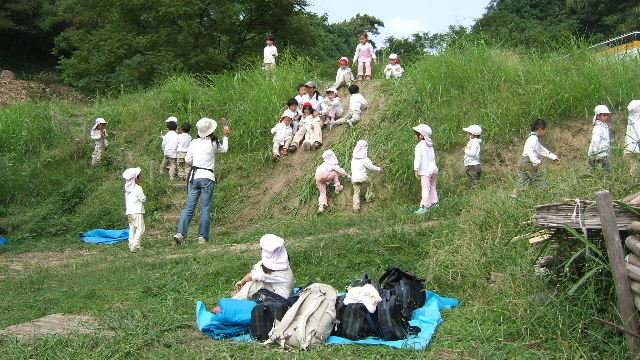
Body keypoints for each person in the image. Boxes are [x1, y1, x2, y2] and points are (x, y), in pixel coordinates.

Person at [174, 118, 230, 245]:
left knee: (189, 207)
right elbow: (225, 149)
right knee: (205, 208)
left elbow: (188, 160)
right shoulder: (213, 143)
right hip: (207, 177)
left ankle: (180, 233)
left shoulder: (194, 142)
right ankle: (202, 237)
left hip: (194, 176)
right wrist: (225, 136)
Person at [233, 234, 295, 300]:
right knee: (256, 277)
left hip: (280, 300)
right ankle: (241, 293)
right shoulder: (283, 264)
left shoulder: (269, 272)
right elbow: (258, 268)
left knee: (254, 284)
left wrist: (241, 282)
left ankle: (236, 299)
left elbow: (250, 276)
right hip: (285, 292)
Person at [511, 119, 560, 198]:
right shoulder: (533, 139)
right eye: (545, 130)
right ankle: (544, 198)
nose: (545, 132)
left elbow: (541, 149)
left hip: (522, 162)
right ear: (540, 130)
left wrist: (553, 157)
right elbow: (530, 150)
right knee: (540, 180)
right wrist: (535, 161)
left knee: (521, 183)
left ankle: (513, 198)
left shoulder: (533, 138)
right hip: (528, 163)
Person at [350, 140, 383, 212]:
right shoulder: (365, 159)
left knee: (356, 192)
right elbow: (371, 167)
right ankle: (369, 197)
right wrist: (379, 169)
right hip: (363, 178)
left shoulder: (353, 159)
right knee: (370, 184)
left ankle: (356, 208)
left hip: (354, 179)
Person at [413, 124, 438, 214]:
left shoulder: (419, 146)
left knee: (425, 188)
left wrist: (416, 170)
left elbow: (418, 159)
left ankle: (424, 206)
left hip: (425, 171)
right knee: (432, 187)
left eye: (416, 134)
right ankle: (435, 203)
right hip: (434, 170)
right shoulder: (430, 144)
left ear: (420, 136)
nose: (415, 136)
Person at [122, 167, 146, 252]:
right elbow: (143, 198)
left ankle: (131, 243)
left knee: (132, 228)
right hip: (137, 211)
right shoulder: (138, 188)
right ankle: (136, 245)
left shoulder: (127, 190)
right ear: (136, 178)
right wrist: (143, 198)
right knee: (140, 228)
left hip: (129, 212)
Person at [588, 105, 611, 171]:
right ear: (598, 116)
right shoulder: (598, 127)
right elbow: (595, 141)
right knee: (605, 170)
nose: (606, 117)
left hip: (603, 153)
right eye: (604, 115)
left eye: (607, 115)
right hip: (598, 153)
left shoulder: (604, 126)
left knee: (594, 170)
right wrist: (595, 153)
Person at [626, 100, 640, 175]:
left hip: (631, 149)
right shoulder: (638, 121)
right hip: (637, 148)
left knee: (634, 167)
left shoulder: (630, 119)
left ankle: (632, 181)